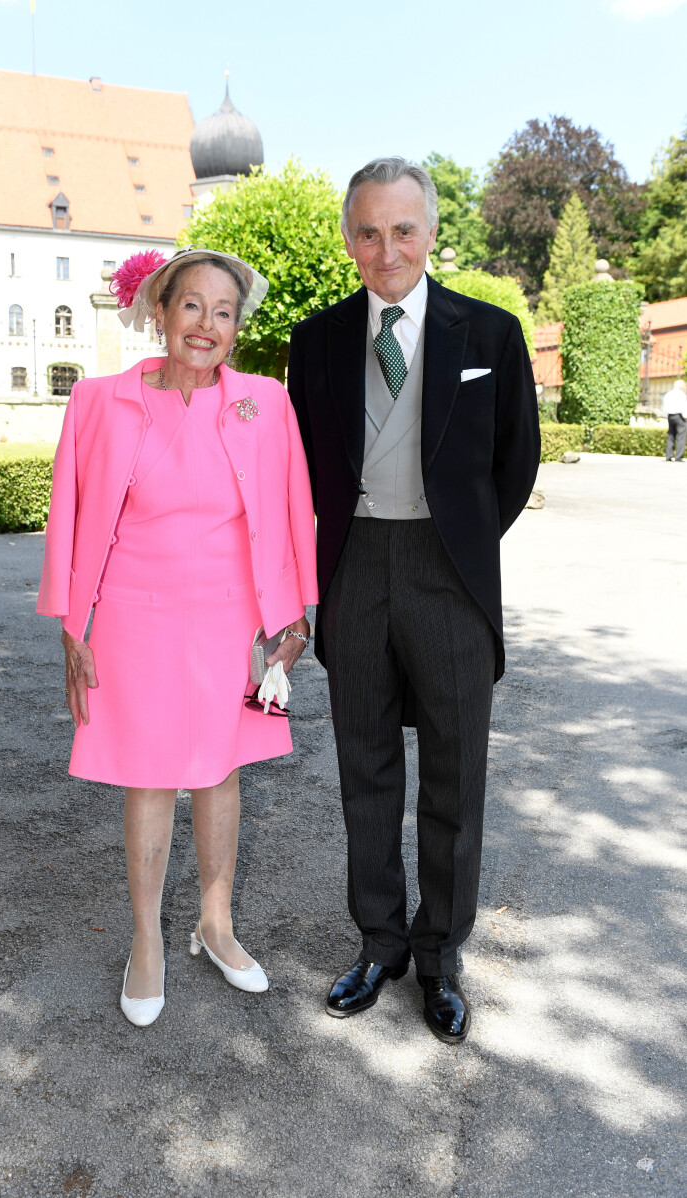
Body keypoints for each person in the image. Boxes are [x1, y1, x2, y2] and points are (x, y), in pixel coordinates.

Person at [287, 157, 540, 1043]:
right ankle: (380, 942)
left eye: (402, 229)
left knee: (455, 778)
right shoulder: (314, 342)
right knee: (365, 770)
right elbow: (307, 471)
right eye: (367, 231)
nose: (385, 248)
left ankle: (440, 956)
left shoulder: (493, 335)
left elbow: (516, 463)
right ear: (350, 238)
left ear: (431, 232)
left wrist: (459, 542)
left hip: (449, 574)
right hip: (355, 568)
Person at [37, 247, 317, 1027]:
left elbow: (295, 513)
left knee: (224, 769)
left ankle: (216, 924)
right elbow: (69, 512)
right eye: (191, 306)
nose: (206, 324)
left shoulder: (267, 402)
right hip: (132, 616)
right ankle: (146, 940)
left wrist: (294, 622)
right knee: (151, 774)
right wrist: (72, 624)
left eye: (223, 312)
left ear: (237, 328)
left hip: (232, 615)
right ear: (159, 312)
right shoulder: (97, 401)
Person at [662, 378, 687, 462]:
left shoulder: (668, 394)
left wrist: (667, 416)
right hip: (679, 416)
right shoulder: (681, 394)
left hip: (670, 416)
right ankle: (678, 456)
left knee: (671, 435)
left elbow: (664, 407)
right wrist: (685, 417)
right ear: (681, 386)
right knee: (681, 436)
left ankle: (668, 456)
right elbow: (684, 407)